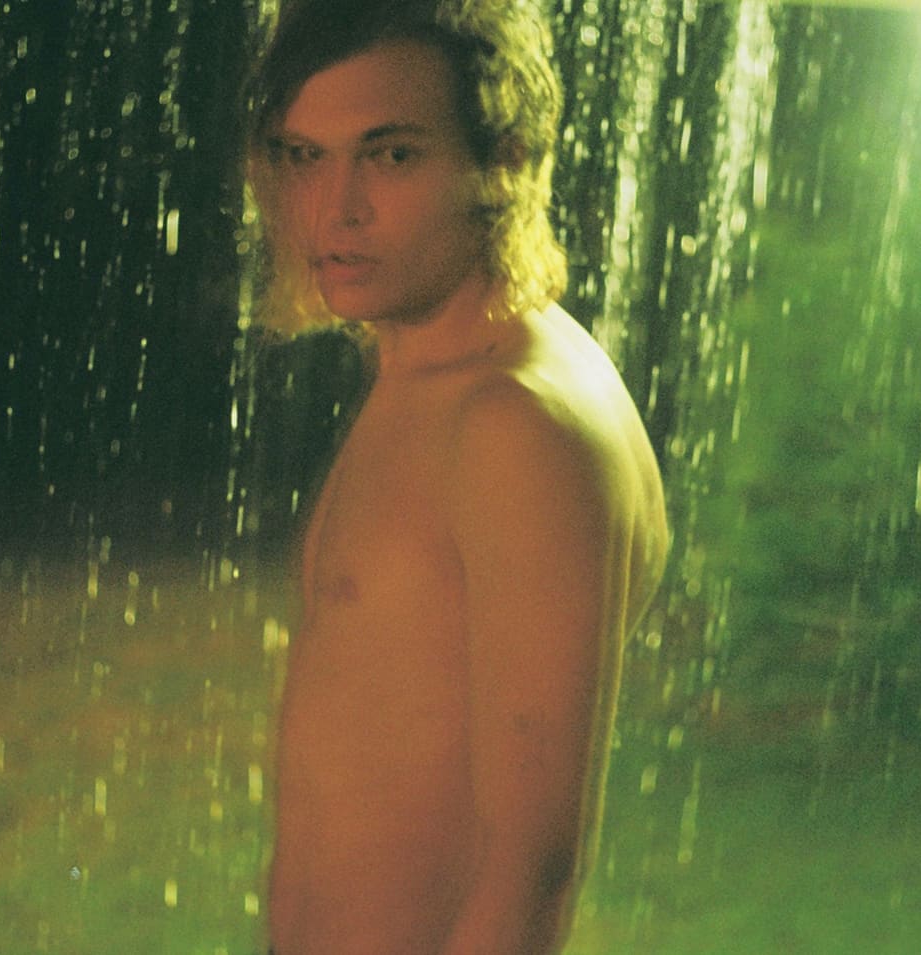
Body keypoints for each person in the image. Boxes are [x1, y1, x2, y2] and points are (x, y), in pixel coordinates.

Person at [244, 1, 669, 952]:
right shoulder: (427, 374)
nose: (336, 209)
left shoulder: (516, 425)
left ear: (504, 161)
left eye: (391, 155)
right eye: (305, 157)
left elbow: (531, 871)